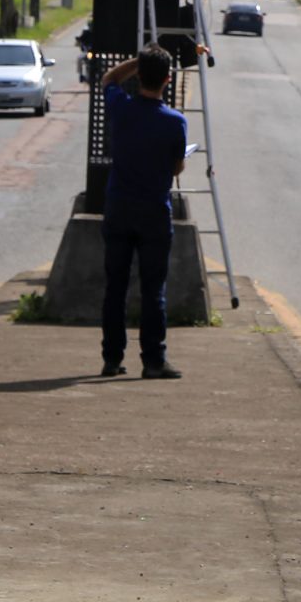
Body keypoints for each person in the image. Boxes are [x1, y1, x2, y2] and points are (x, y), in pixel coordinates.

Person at [99, 44, 186, 380]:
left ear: (138, 77)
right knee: (153, 289)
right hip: (153, 212)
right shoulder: (174, 122)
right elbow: (177, 167)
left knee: (115, 287)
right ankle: (153, 359)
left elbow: (108, 78)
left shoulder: (120, 107)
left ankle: (111, 358)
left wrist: (138, 62)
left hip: (118, 207)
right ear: (167, 80)